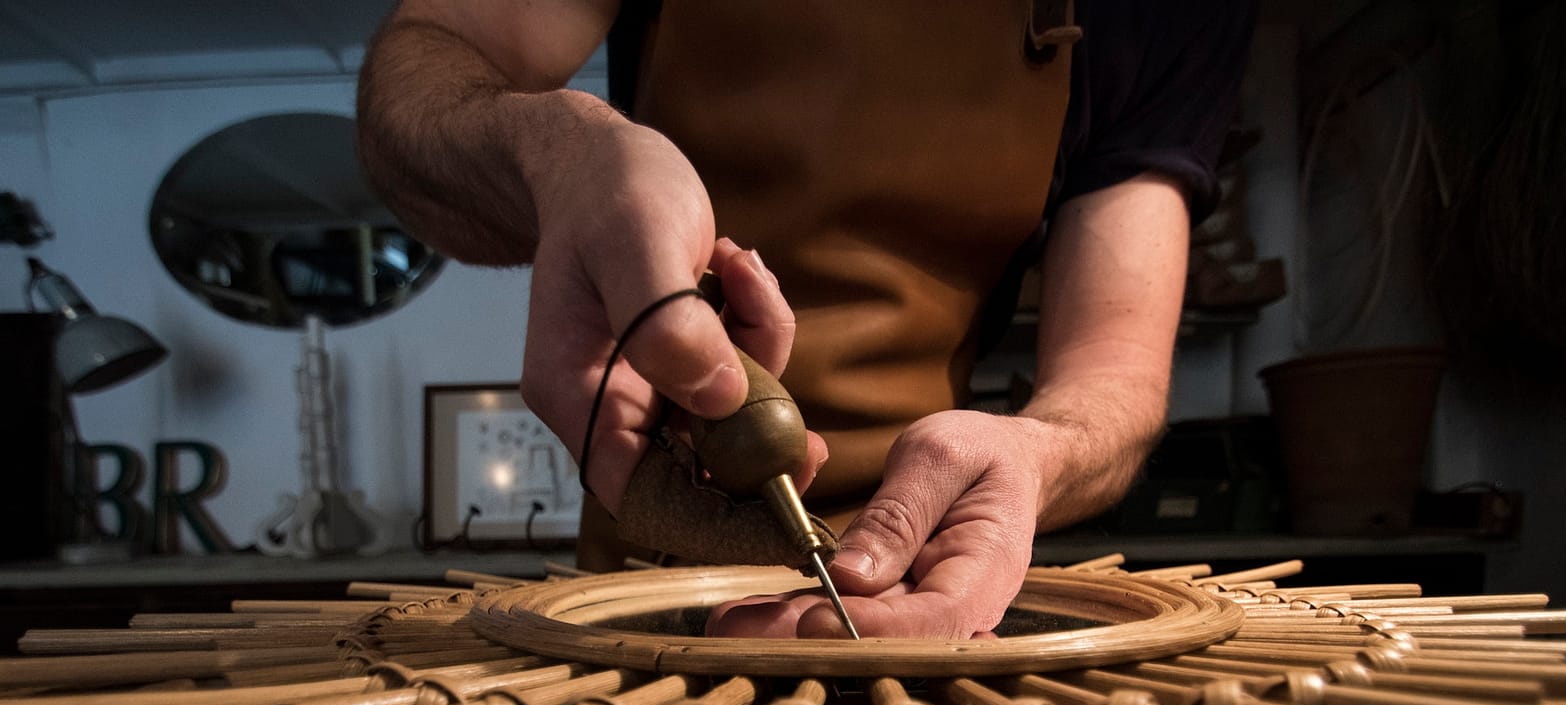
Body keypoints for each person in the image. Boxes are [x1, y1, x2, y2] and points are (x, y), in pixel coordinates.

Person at [357, 0, 1256, 639]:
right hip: (645, 541)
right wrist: (555, 151)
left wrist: (1041, 456)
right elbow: (420, 80)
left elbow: (1114, 377)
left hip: (926, 589)